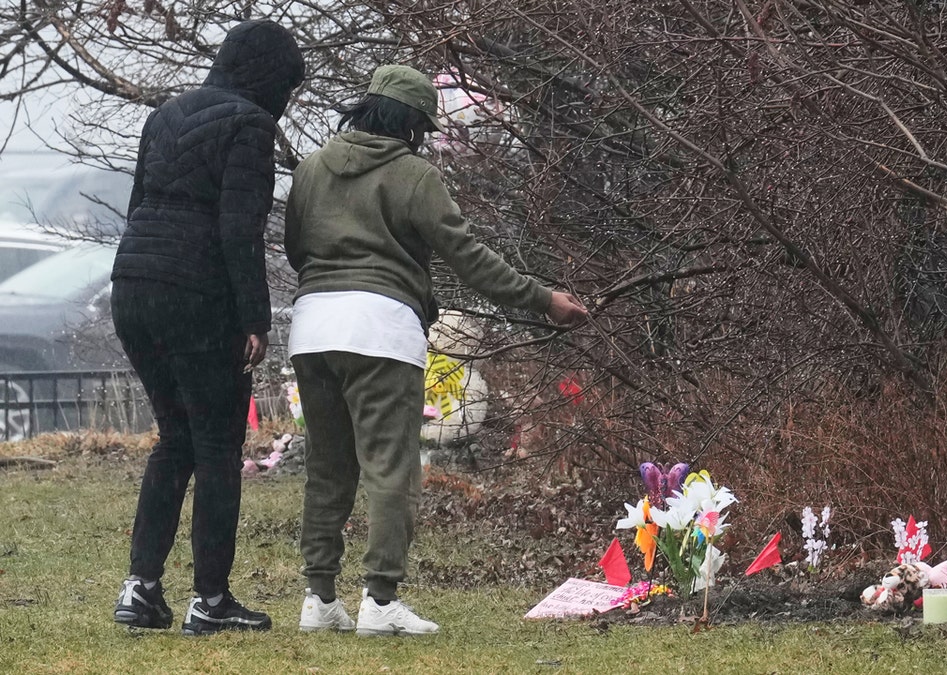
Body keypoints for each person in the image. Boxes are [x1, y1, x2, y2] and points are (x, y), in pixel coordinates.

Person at [284, 64, 588, 636]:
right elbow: (467, 256)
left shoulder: (309, 169)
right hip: (381, 331)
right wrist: (544, 300)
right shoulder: (413, 175)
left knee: (327, 469)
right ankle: (379, 602)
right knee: (389, 469)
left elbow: (296, 247)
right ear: (415, 125)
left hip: (313, 328)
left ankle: (319, 598)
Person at [109, 19, 305, 636]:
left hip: (134, 285)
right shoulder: (250, 125)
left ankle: (141, 590)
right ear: (273, 78)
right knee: (218, 445)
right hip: (196, 293)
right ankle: (211, 600)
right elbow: (238, 229)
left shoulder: (165, 114)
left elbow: (140, 203)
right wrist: (254, 317)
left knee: (175, 440)